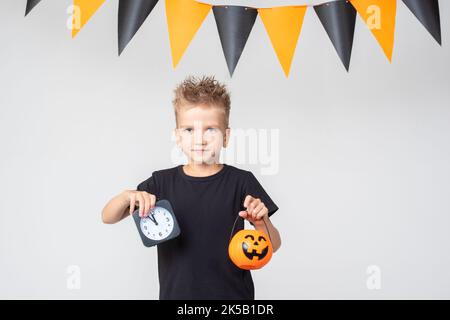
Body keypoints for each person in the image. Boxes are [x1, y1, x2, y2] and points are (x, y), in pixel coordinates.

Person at [101, 75, 281, 299]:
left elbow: (272, 246)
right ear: (177, 137)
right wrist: (128, 196)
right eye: (189, 130)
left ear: (226, 137)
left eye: (210, 129)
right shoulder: (160, 182)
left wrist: (260, 223)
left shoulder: (242, 182)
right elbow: (108, 216)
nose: (200, 139)